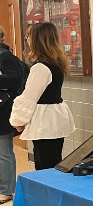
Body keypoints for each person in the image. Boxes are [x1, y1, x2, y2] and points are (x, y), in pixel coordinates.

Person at [11, 22, 75, 170]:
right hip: (55, 119)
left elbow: (29, 98)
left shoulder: (41, 67)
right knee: (52, 163)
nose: (27, 39)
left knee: (45, 167)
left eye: (28, 36)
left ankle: (47, 193)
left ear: (37, 40)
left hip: (45, 123)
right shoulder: (56, 63)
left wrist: (18, 120)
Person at [0, 26, 23, 203]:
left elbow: (15, 79)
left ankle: (7, 190)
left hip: (3, 111)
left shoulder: (6, 57)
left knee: (4, 151)